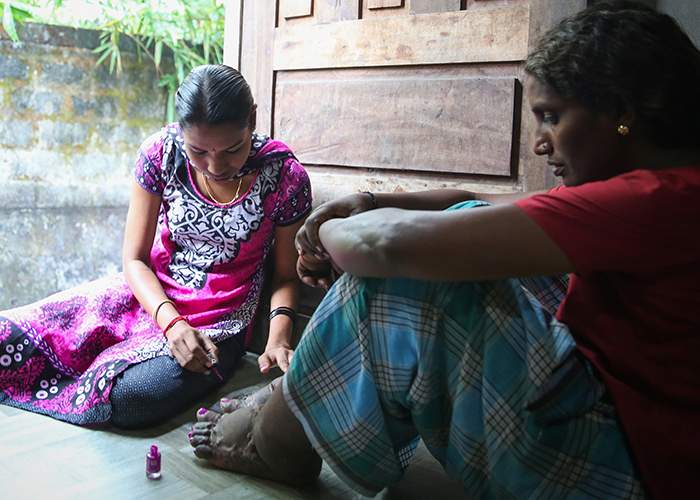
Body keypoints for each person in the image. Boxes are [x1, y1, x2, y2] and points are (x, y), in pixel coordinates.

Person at [188, 2, 700, 498]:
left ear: (621, 114)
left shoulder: (653, 203)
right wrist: (367, 200)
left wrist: (323, 235)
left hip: (631, 466)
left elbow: (382, 248)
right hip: (618, 410)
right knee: (466, 229)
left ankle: (280, 438)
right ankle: (293, 403)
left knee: (405, 284)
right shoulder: (665, 188)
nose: (542, 143)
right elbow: (475, 202)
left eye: (551, 117)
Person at [0, 64, 312, 428]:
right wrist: (170, 321)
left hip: (218, 323)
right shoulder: (160, 153)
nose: (215, 166)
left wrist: (278, 338)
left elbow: (286, 275)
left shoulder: (284, 177)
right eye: (198, 151)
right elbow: (134, 260)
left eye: (232, 149)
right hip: (145, 296)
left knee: (131, 397)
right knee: (8, 337)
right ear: (181, 132)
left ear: (253, 120)